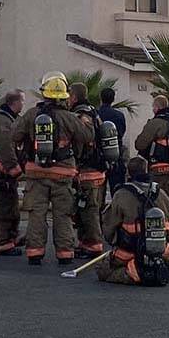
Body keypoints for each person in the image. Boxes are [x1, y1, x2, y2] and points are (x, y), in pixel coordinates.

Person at [11, 72, 93, 266]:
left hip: (36, 172)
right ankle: (65, 253)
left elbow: (14, 135)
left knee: (36, 214)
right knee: (62, 214)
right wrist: (86, 122)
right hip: (63, 174)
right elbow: (87, 137)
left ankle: (34, 252)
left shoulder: (32, 114)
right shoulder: (69, 117)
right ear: (64, 95)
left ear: (44, 94)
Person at [97, 156, 169, 286]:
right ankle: (161, 267)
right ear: (146, 170)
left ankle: (134, 273)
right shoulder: (161, 194)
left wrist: (115, 243)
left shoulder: (121, 195)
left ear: (129, 173)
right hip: (162, 252)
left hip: (129, 253)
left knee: (102, 270)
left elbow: (108, 227)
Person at [134, 95, 169, 238]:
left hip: (160, 170)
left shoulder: (156, 123)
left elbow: (140, 144)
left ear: (156, 108)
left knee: (163, 201)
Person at [0, 89, 24, 256]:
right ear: (15, 102)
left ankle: (10, 239)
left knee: (11, 207)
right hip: (0, 172)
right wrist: (14, 168)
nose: (23, 104)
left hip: (5, 174)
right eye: (22, 101)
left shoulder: (9, 119)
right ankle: (2, 243)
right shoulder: (1, 121)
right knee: (3, 209)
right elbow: (5, 147)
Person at [69, 81, 106, 259]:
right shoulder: (94, 112)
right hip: (97, 169)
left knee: (88, 209)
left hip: (87, 169)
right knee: (86, 208)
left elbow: (83, 138)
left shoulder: (81, 115)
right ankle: (85, 243)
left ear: (74, 96)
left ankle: (93, 244)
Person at [98, 87, 128, 194]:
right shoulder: (119, 116)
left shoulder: (96, 115)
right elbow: (121, 132)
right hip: (116, 156)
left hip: (99, 158)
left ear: (100, 98)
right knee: (117, 191)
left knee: (98, 195)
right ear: (113, 99)